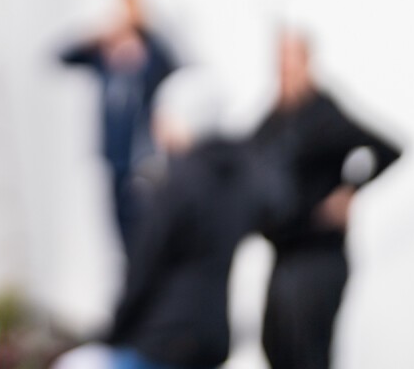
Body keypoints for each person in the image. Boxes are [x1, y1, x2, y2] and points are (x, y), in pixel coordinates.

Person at [107, 68, 293, 369]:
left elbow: (144, 268)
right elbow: (280, 206)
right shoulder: (246, 175)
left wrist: (114, 334)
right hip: (216, 340)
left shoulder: (176, 183)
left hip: (161, 340)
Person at [253, 30, 402, 369]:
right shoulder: (276, 116)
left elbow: (388, 148)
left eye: (291, 62)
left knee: (307, 353)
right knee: (275, 345)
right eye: (280, 64)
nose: (285, 71)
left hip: (318, 255)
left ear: (307, 63)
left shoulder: (324, 114)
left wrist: (351, 189)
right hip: (285, 253)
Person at [58, 0, 177, 254]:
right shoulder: (105, 55)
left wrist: (146, 33)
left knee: (145, 239)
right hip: (114, 162)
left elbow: (175, 62)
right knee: (121, 242)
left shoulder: (151, 55)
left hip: (142, 165)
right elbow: (61, 57)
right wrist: (98, 35)